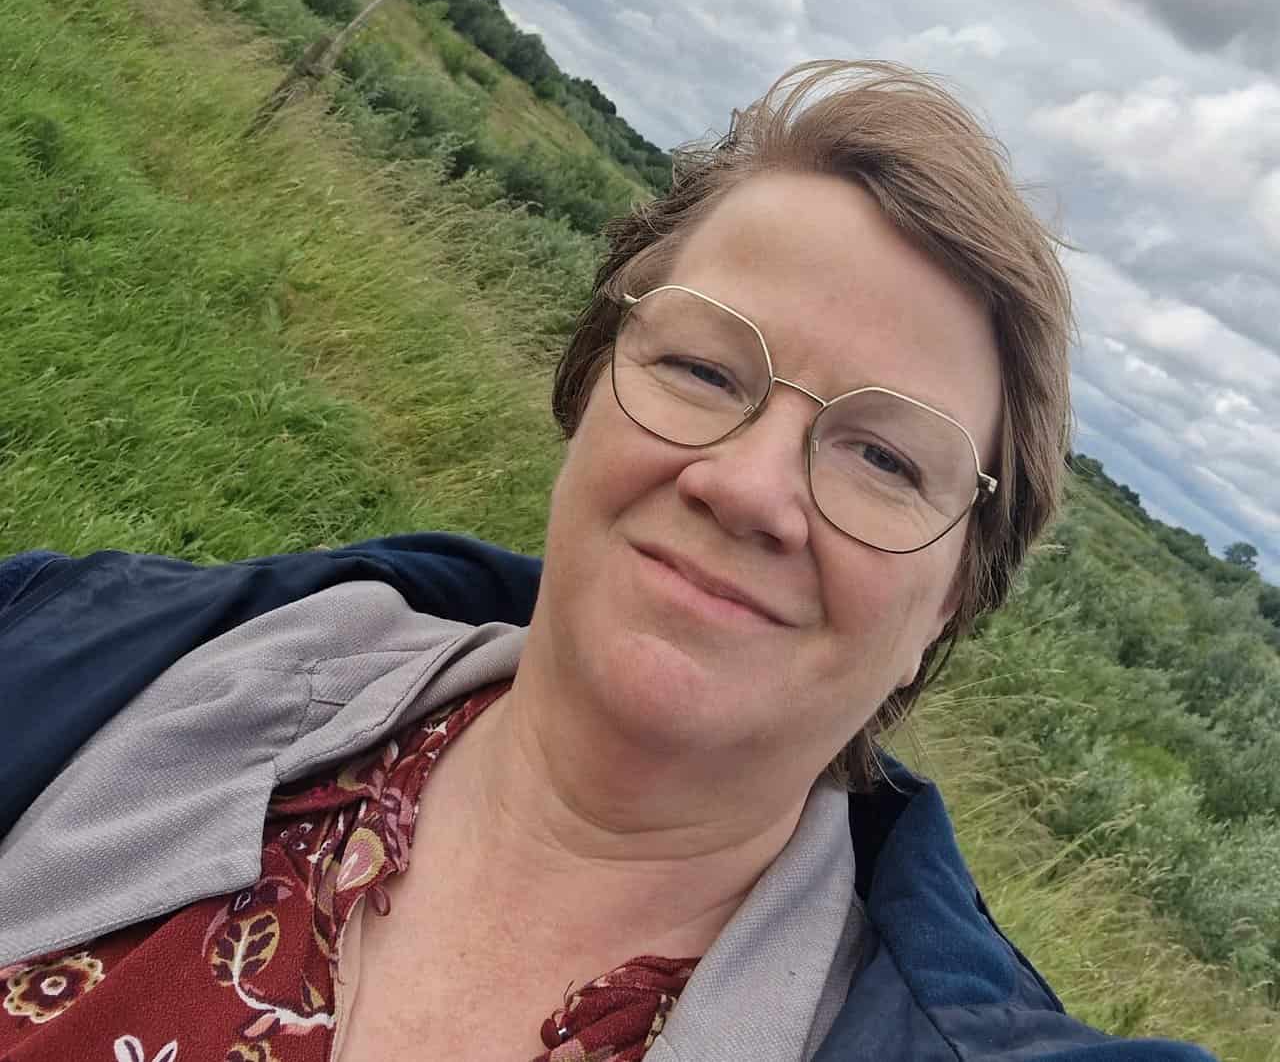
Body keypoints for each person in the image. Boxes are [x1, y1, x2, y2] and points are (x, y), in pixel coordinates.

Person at [0, 60, 1217, 1062]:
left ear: (949, 601)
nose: (749, 488)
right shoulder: (97, 654)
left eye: (884, 460)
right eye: (701, 370)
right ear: (589, 387)